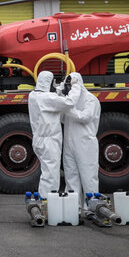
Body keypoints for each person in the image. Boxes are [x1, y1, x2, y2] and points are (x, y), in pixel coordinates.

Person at [27, 71, 82, 199]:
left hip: (39, 139)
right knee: (51, 174)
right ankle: (47, 203)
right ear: (48, 82)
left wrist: (59, 90)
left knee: (46, 172)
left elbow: (52, 100)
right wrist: (75, 87)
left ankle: (43, 200)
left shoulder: (33, 95)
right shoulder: (47, 98)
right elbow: (69, 102)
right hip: (49, 141)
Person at [62, 72, 101, 208]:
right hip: (69, 143)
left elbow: (85, 117)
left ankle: (92, 207)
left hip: (86, 144)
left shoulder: (90, 99)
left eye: (70, 84)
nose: (69, 87)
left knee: (88, 176)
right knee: (71, 176)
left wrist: (67, 108)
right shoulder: (69, 101)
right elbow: (62, 119)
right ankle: (73, 207)